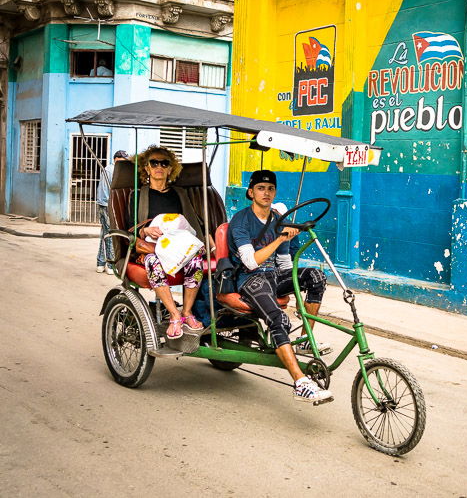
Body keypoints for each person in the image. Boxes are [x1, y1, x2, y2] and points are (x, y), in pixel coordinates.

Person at [217, 170, 333, 403]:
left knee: (316, 277)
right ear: (251, 192)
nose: (266, 193)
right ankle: (300, 383)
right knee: (279, 320)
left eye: (270, 189)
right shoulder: (241, 220)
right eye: (261, 188)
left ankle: (305, 341)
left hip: (273, 276)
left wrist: (292, 278)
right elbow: (250, 262)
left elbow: (283, 263)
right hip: (249, 279)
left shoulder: (278, 218)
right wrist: (280, 238)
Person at [128, 145, 206, 339]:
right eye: (154, 162)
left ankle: (187, 311)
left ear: (171, 169)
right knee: (154, 262)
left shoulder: (179, 194)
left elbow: (193, 221)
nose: (159, 166)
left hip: (178, 246)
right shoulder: (138, 195)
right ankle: (174, 315)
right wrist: (145, 229)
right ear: (146, 168)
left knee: (196, 261)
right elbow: (131, 227)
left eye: (165, 163)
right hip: (152, 248)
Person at [96, 150, 128, 274]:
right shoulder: (112, 169)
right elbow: (106, 191)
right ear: (116, 159)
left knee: (105, 233)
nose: (123, 163)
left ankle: (100, 263)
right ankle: (110, 265)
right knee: (110, 234)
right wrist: (110, 205)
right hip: (106, 205)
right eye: (121, 160)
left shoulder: (113, 169)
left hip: (105, 204)